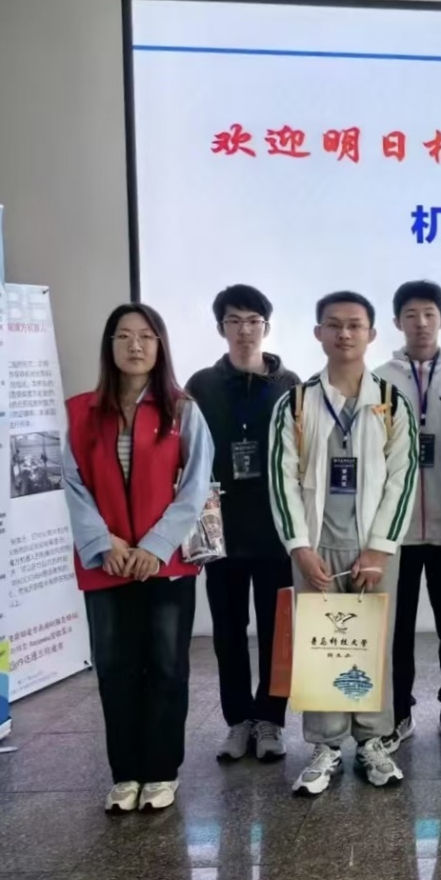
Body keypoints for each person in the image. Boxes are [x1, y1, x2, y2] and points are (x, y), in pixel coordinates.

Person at [64, 303, 213, 813]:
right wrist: (104, 543)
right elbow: (71, 484)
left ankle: (162, 771)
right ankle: (125, 773)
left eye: (146, 336)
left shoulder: (182, 409)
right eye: (123, 336)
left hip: (164, 565)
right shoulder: (80, 412)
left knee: (166, 666)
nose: (135, 345)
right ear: (109, 346)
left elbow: (195, 487)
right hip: (105, 562)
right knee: (114, 668)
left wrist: (154, 546)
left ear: (160, 346)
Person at [269, 291, 419, 796]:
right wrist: (299, 546)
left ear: (372, 334)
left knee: (374, 643)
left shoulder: (392, 402)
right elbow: (282, 479)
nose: (344, 333)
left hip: (373, 549)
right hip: (316, 547)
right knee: (321, 647)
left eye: (355, 325)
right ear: (319, 333)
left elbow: (403, 479)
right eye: (333, 325)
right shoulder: (295, 403)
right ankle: (326, 745)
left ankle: (373, 741)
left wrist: (380, 547)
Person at [185, 284, 300, 764]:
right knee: (228, 632)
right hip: (221, 530)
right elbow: (187, 456)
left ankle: (271, 720)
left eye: (254, 320)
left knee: (278, 631)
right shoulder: (201, 386)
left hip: (275, 529)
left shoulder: (290, 384)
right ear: (221, 328)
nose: (245, 330)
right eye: (235, 320)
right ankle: (237, 721)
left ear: (266, 327)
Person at [374, 280, 441, 753]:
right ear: (397, 322)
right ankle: (398, 713)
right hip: (395, 534)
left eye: (429, 314)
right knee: (395, 632)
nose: (421, 323)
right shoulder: (378, 380)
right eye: (411, 315)